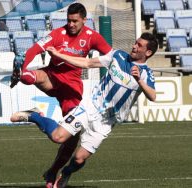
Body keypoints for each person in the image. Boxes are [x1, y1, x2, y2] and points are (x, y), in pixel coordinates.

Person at [11, 32, 158, 188]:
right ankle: (34, 116)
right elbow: (88, 63)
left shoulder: (146, 74)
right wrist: (60, 55)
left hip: (106, 121)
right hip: (90, 107)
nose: (134, 46)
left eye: (139, 45)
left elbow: (153, 96)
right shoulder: (118, 56)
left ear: (148, 53)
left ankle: (66, 173)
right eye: (135, 42)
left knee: (79, 159)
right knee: (58, 137)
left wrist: (139, 81)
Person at [10, 3, 112, 187]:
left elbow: (111, 56)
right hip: (51, 78)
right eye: (68, 21)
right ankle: (30, 105)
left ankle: (53, 170)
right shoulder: (58, 34)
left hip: (71, 89)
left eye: (75, 21)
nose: (71, 24)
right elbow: (35, 49)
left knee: (70, 138)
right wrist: (23, 62)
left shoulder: (92, 37)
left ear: (83, 19)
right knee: (26, 76)